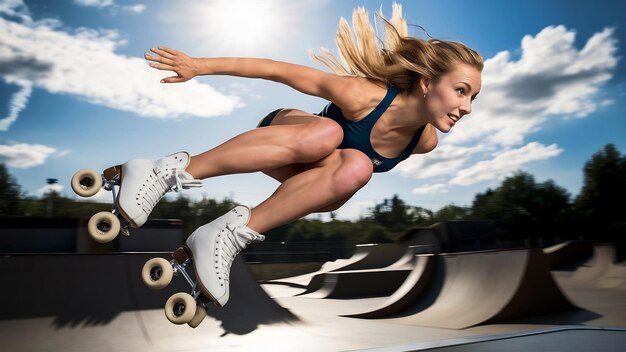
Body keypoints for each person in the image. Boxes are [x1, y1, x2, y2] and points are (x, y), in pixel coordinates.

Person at [118, 4, 482, 307]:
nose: (466, 107)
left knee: (356, 166)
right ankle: (163, 172)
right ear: (427, 83)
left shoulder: (424, 140)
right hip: (287, 138)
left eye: (472, 98)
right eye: (461, 91)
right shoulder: (364, 95)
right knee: (329, 133)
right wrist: (199, 65)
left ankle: (225, 235)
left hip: (312, 182)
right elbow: (277, 71)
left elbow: (339, 176)